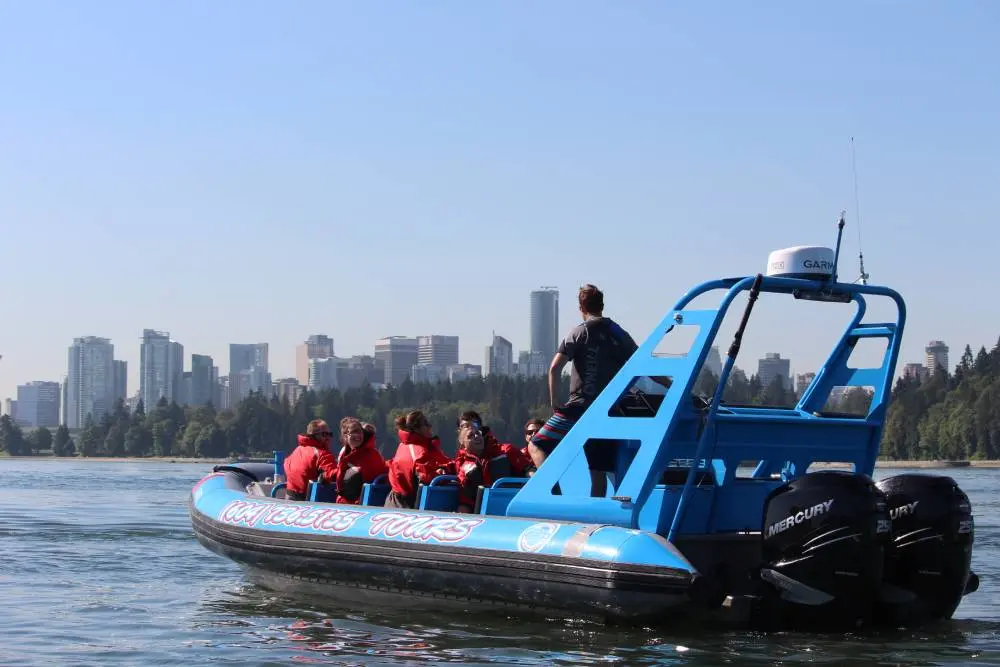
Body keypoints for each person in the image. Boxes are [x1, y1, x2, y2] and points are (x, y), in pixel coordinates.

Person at [528, 284, 640, 497]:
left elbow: (554, 368)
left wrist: (555, 403)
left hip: (579, 407)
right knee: (598, 474)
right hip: (606, 412)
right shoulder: (618, 333)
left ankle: (553, 495)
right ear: (603, 305)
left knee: (536, 444)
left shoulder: (579, 332)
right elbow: (643, 364)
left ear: (581, 307)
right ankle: (594, 520)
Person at [454, 411, 535, 513]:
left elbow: (528, 469)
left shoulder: (506, 451)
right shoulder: (465, 468)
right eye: (470, 435)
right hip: (485, 513)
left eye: (478, 433)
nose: (476, 437)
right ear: (463, 443)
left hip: (514, 506)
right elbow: (465, 501)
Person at [385, 410, 454, 509]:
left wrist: (448, 467)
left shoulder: (407, 445)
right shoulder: (418, 451)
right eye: (426, 424)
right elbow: (427, 477)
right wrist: (445, 471)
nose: (430, 426)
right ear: (416, 428)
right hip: (404, 505)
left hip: (398, 501)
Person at [335, 417, 389, 504]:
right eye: (354, 432)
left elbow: (370, 483)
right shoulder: (345, 453)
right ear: (345, 436)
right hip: (345, 502)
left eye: (360, 431)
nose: (358, 435)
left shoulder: (370, 454)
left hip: (360, 504)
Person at [283, 419, 339, 501]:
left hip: (290, 500)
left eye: (330, 434)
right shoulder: (322, 454)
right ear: (313, 435)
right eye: (324, 434)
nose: (328, 437)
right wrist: (346, 468)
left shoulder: (296, 450)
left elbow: (286, 464)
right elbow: (332, 475)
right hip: (309, 502)